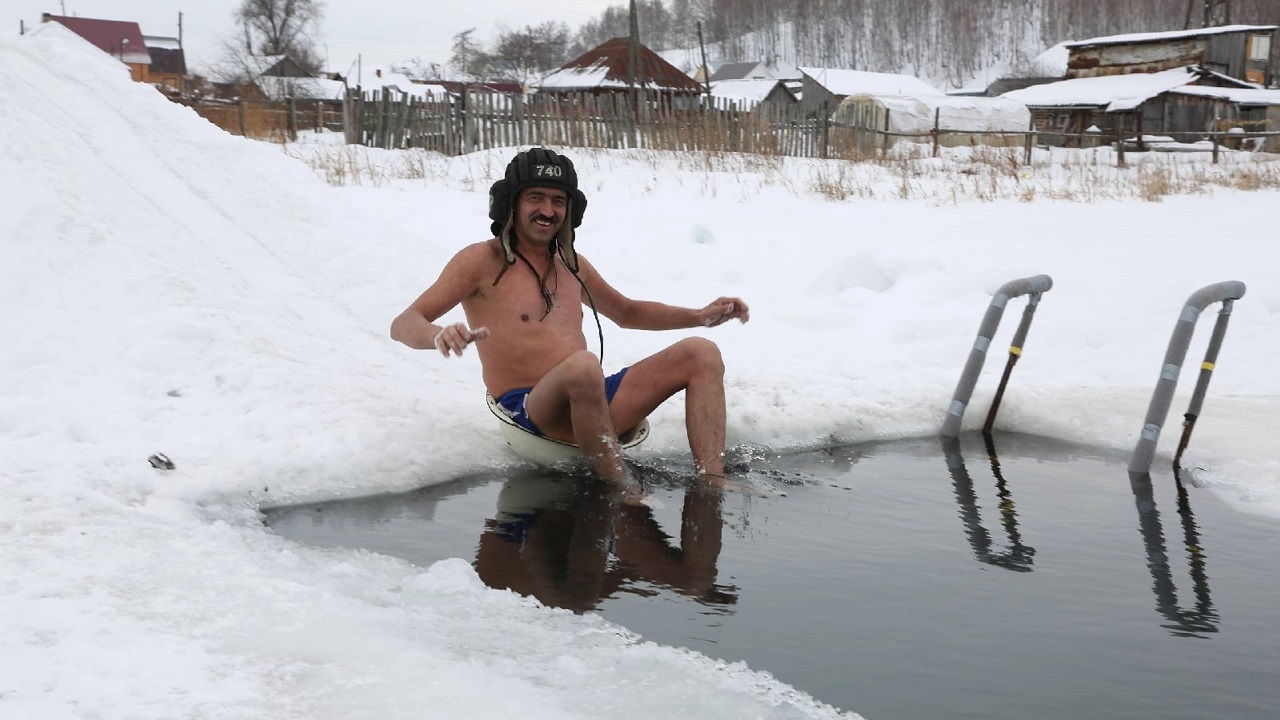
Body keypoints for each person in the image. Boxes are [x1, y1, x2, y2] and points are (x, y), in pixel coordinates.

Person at [390, 147, 748, 494]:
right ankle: (622, 488)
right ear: (510, 202)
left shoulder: (572, 263)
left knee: (701, 352)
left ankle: (712, 482)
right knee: (582, 366)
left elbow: (627, 312)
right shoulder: (480, 261)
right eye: (536, 198)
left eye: (558, 201)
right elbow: (405, 322)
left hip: (590, 397)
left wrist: (700, 317)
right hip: (531, 410)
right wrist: (438, 334)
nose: (548, 210)